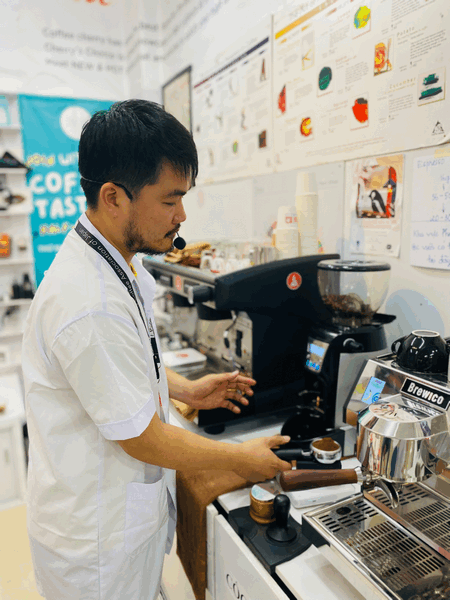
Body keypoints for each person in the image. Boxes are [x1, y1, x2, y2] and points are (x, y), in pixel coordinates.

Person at [22, 99, 291, 600]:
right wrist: (239, 459)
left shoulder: (113, 258)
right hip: (95, 550)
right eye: (170, 200)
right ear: (113, 197)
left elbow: (124, 365)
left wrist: (186, 388)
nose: (182, 215)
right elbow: (142, 438)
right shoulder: (89, 302)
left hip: (114, 525)